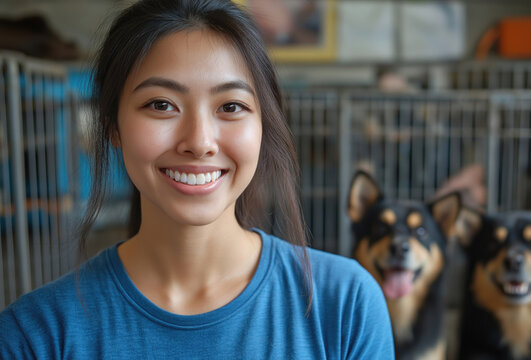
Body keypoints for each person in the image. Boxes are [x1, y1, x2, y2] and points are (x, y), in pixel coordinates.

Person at [0, 1, 394, 358]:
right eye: (161, 105)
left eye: (231, 106)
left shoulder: (345, 306)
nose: (200, 142)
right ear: (112, 127)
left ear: (263, 125)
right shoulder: (35, 335)